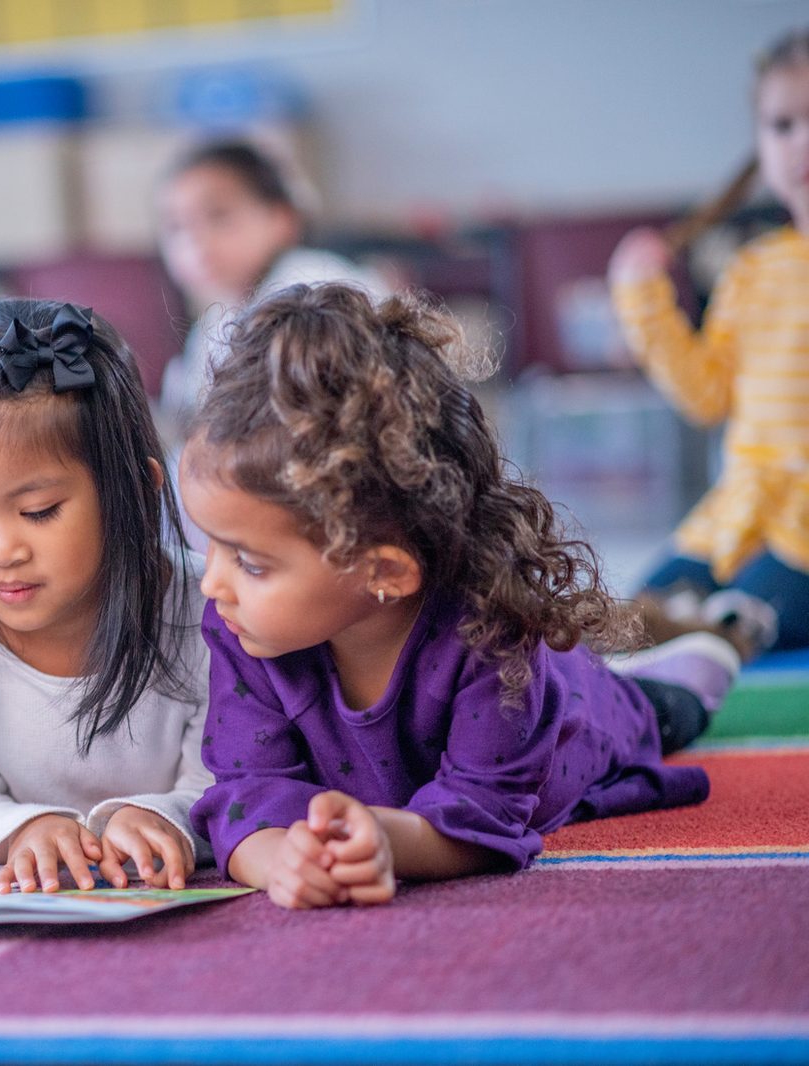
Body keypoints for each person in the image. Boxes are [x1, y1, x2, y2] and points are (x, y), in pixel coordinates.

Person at [180, 284, 735, 910]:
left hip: (586, 713)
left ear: (383, 571)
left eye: (248, 563)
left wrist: (384, 838)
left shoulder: (493, 641)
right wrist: (284, 859)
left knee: (663, 711)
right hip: (514, 707)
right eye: (214, 546)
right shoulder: (241, 626)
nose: (211, 583)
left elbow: (485, 816)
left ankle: (703, 658)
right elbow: (247, 789)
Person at [0, 299, 213, 893]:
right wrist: (20, 829)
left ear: (136, 492)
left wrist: (162, 815)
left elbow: (235, 776)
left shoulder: (210, 609)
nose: (1, 549)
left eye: (38, 512)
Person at [609, 28, 809, 657]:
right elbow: (706, 397)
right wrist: (644, 301)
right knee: (634, 619)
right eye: (782, 124)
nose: (800, 140)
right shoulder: (751, 269)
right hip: (738, 515)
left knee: (737, 624)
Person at [155, 139, 387, 442]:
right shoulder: (216, 320)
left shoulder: (313, 290)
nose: (195, 242)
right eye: (176, 226)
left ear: (282, 219)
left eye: (218, 215)